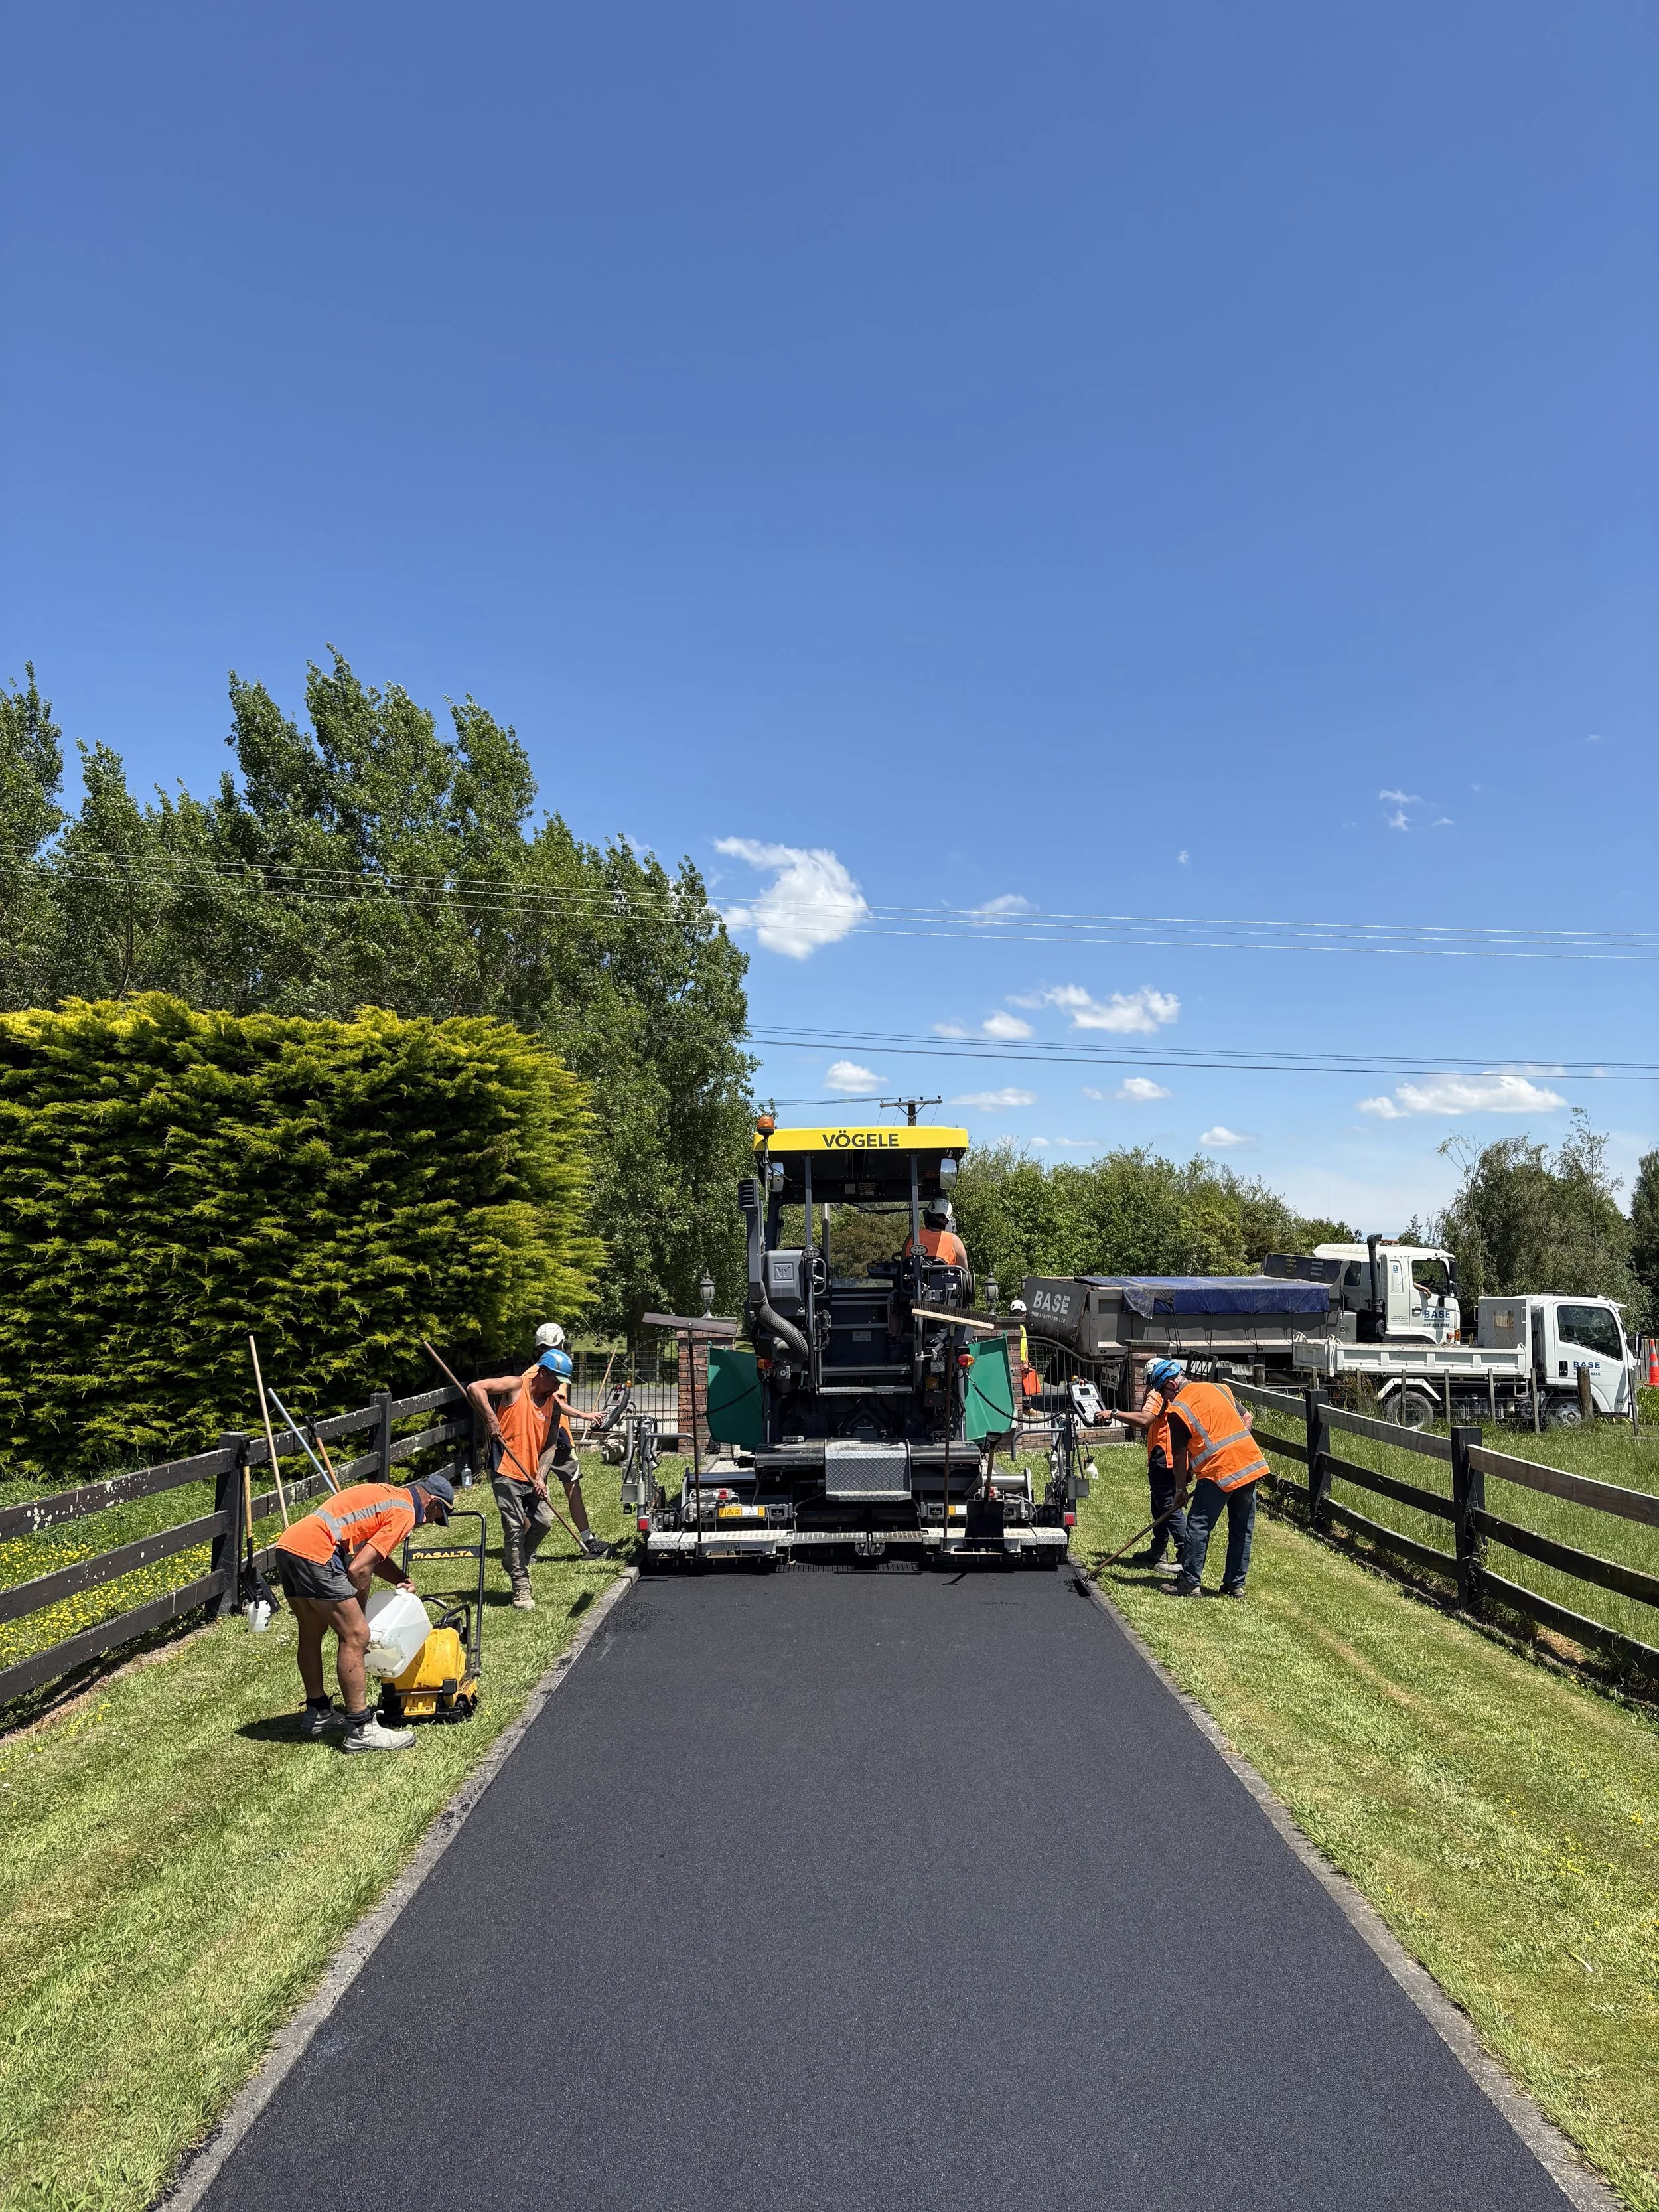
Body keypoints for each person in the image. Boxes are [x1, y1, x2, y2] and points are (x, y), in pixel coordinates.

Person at [272, 1473, 455, 1750]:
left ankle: (318, 1711)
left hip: (290, 1546)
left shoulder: (388, 1495)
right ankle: (361, 1728)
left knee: (311, 1632)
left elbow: (367, 1554)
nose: (427, 1522)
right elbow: (359, 1569)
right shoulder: (405, 1512)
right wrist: (360, 1616)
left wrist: (399, 1577)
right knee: (357, 1635)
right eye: (435, 1516)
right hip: (317, 1553)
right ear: (432, 1503)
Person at [470, 1352, 611, 1607]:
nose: (559, 1387)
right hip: (505, 1470)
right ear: (541, 1373)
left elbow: (549, 1447)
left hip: (531, 1474)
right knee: (514, 1529)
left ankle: (516, 1561)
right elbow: (475, 1388)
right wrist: (492, 1419)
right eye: (556, 1381)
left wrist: (541, 1476)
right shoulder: (516, 1386)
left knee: (543, 1523)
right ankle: (521, 1588)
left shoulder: (553, 1405)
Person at [1160, 1372, 1269, 1599]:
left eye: (1163, 1392)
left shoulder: (1177, 1410)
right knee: (1241, 1529)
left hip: (1219, 1471)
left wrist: (1181, 1489)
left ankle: (1189, 1583)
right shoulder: (1219, 1389)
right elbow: (1247, 1418)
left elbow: (1179, 1457)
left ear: (1171, 1385)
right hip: (1249, 1463)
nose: (1164, 1399)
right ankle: (1234, 1585)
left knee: (1198, 1525)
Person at [1116, 1356, 1188, 1570]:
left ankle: (1186, 1554)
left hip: (1163, 1457)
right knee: (1158, 1506)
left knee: (1169, 1507)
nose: (1150, 1385)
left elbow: (1145, 1419)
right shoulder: (1170, 1392)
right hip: (1166, 1455)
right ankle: (1158, 1550)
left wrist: (1115, 1413)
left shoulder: (1157, 1394)